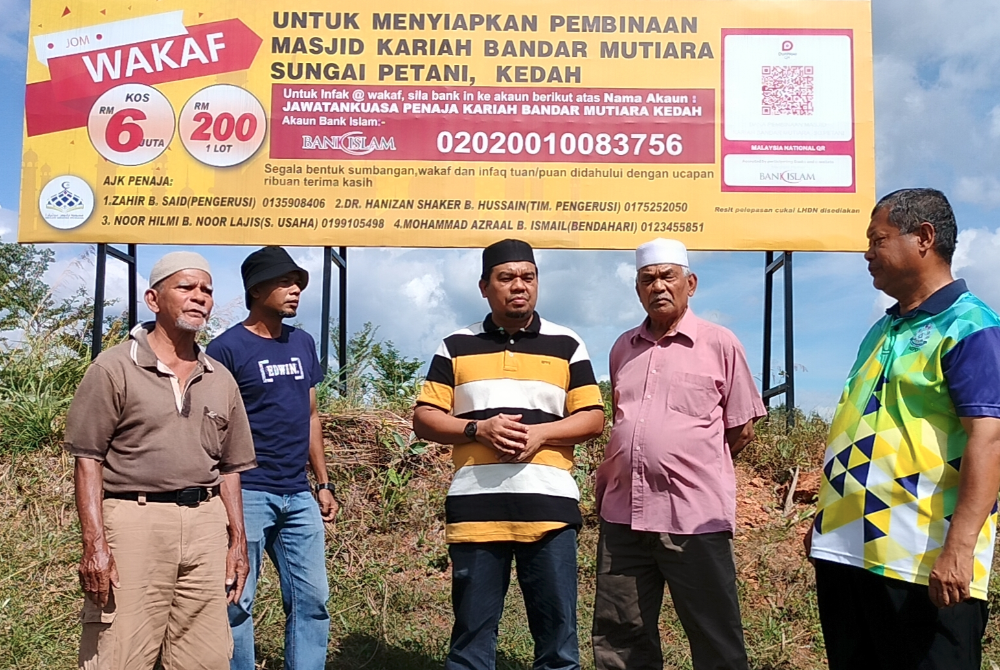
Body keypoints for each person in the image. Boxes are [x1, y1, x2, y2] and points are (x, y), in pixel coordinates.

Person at [807, 189, 1000, 670]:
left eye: (878, 239)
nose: (867, 253)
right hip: (848, 555)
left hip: (922, 561)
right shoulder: (880, 331)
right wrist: (825, 519)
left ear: (924, 239)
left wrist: (959, 547)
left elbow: (989, 438)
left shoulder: (971, 326)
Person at [412, 239, 605, 670]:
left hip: (550, 511)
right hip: (476, 513)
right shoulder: (455, 345)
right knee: (471, 643)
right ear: (484, 287)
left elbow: (593, 418)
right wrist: (477, 428)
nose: (519, 286)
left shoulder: (567, 343)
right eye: (506, 278)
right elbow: (425, 418)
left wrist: (541, 435)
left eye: (528, 277)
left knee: (558, 643)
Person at [65, 252, 256, 670]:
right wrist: (94, 544)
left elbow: (230, 469)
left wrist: (237, 542)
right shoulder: (114, 367)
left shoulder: (219, 377)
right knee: (119, 654)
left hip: (206, 523)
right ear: (154, 299)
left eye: (206, 290)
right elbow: (88, 459)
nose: (200, 298)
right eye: (186, 287)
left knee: (205, 657)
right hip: (135, 521)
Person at [592, 238, 765, 670]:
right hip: (623, 517)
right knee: (620, 635)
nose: (658, 287)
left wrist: (690, 464)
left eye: (667, 277)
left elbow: (741, 428)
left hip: (694, 518)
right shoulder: (622, 348)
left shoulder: (720, 343)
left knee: (714, 636)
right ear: (637, 289)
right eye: (647, 279)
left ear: (690, 283)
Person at [207, 246, 337, 670]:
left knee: (312, 599)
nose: (295, 290)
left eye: (298, 282)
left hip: (298, 494)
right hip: (247, 492)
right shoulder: (225, 349)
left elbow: (312, 414)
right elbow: (213, 426)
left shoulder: (302, 343)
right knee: (237, 600)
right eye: (285, 282)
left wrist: (322, 482)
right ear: (256, 289)